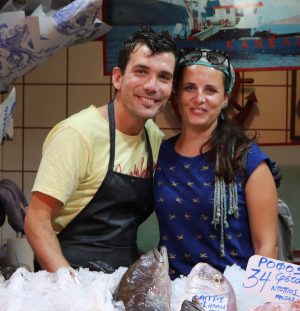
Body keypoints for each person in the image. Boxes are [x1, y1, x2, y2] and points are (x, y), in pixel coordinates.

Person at [24, 28, 177, 273]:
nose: (152, 86)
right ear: (117, 78)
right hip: (70, 274)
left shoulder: (154, 138)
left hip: (121, 277)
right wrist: (70, 286)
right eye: (141, 72)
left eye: (164, 77)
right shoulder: (77, 134)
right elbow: (36, 220)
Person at [153, 48, 278, 280]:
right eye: (190, 88)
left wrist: (256, 307)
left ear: (225, 98)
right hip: (176, 295)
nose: (199, 98)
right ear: (177, 94)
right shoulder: (160, 155)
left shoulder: (247, 159)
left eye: (210, 90)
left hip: (234, 298)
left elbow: (266, 247)